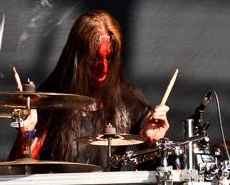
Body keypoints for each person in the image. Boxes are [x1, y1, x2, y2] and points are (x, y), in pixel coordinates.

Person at [9, 9, 170, 167]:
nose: (103, 68)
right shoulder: (50, 100)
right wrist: (26, 135)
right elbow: (17, 169)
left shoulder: (129, 99)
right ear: (77, 57)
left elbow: (156, 171)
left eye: (109, 58)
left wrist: (153, 144)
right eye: (94, 58)